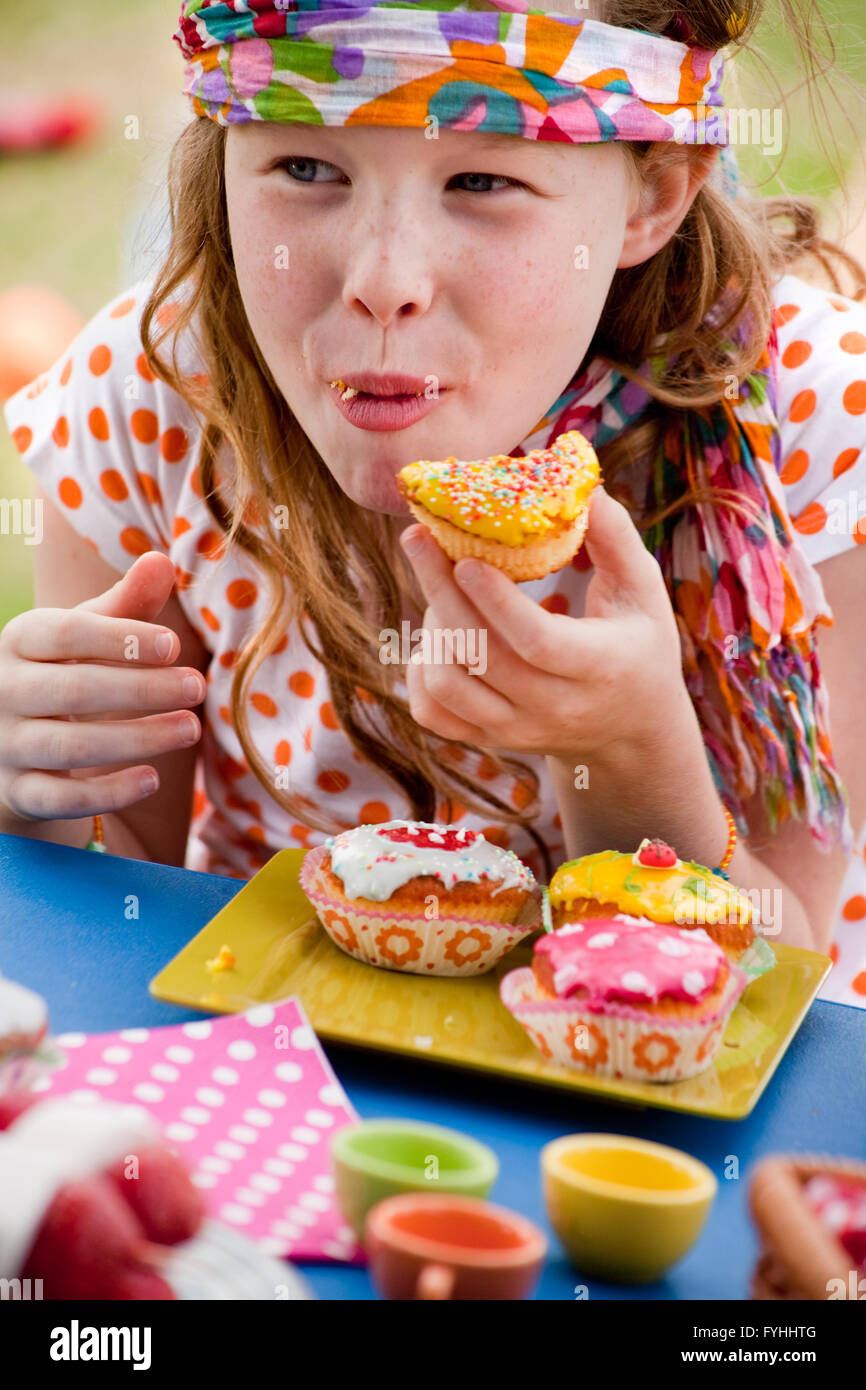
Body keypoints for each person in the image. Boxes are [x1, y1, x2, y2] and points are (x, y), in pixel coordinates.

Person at [2, 0, 866, 1005]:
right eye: (307, 168)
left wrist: (626, 754)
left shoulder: (808, 422)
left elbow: (782, 979)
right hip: (267, 1066)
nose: (383, 279)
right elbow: (113, 918)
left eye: (481, 179)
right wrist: (44, 788)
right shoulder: (148, 394)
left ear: (652, 196)